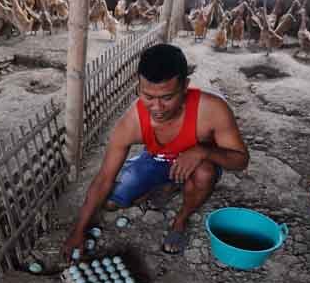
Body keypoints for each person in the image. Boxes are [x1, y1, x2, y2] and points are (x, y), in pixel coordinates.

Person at [61, 43, 249, 259]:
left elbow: (240, 160)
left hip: (198, 164)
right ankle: (169, 184)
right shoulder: (131, 122)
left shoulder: (212, 110)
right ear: (139, 88)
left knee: (204, 173)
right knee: (114, 200)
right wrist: (78, 231)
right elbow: (104, 178)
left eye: (167, 98)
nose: (157, 108)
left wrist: (202, 151)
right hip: (157, 160)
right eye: (148, 97)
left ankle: (180, 221)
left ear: (185, 86)